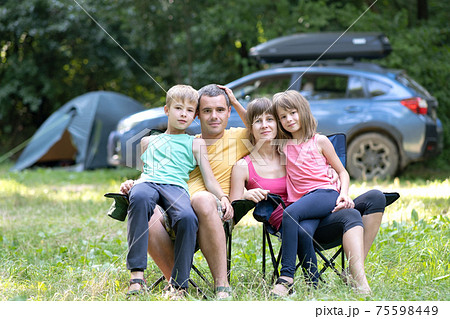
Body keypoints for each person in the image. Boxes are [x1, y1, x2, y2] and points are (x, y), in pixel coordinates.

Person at [229, 95, 375, 297]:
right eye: (258, 122)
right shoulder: (248, 163)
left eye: (270, 119)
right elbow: (234, 202)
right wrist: (247, 193)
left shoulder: (286, 148)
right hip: (295, 218)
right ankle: (314, 285)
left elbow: (326, 167)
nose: (265, 125)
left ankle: (290, 278)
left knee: (352, 213)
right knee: (305, 226)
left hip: (312, 205)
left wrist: (334, 180)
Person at [120, 84, 247, 299]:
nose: (213, 116)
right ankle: (148, 278)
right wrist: (133, 183)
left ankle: (200, 284)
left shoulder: (223, 139)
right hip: (160, 195)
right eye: (206, 110)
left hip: (195, 202)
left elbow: (263, 128)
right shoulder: (156, 141)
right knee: (143, 201)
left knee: (194, 209)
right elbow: (149, 172)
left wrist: (225, 197)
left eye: (220, 110)